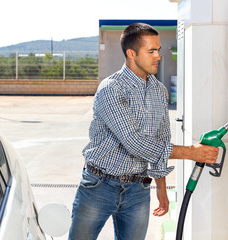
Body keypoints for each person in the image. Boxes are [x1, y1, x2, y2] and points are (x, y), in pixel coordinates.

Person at [68, 23, 219, 240]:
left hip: (138, 189)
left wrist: (161, 186)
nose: (158, 55)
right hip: (99, 186)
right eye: (151, 51)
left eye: (158, 49)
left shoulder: (159, 90)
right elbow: (134, 142)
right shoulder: (111, 89)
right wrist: (191, 152)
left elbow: (161, 138)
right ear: (131, 53)